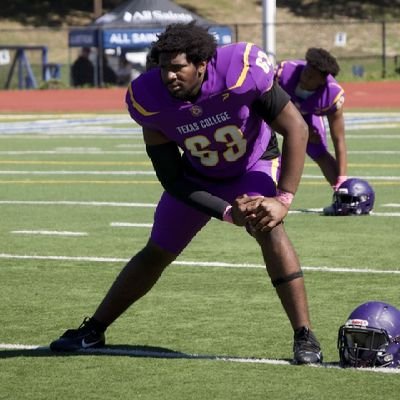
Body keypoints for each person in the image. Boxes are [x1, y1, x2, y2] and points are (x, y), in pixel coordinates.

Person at [50, 22, 322, 365]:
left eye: (178, 67)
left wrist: (283, 199)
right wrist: (226, 212)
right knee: (156, 251)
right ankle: (94, 328)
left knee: (269, 226)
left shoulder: (240, 72)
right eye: (163, 67)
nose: (169, 76)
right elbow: (171, 177)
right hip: (197, 176)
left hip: (251, 165)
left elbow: (295, 126)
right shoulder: (148, 98)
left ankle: (304, 335)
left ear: (202, 65)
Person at [274, 48, 348, 214]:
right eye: (306, 71)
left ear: (322, 81)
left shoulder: (332, 94)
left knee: (319, 150)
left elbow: (339, 138)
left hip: (307, 115)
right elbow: (264, 103)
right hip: (277, 110)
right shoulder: (283, 73)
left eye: (311, 77)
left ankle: (343, 197)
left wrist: (342, 179)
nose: (305, 77)